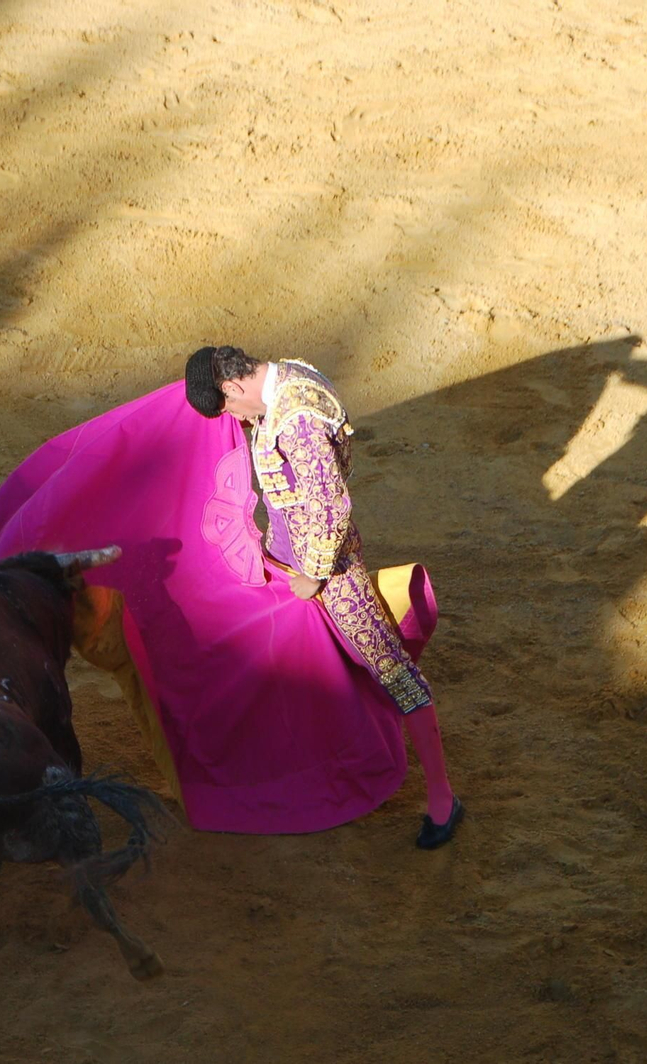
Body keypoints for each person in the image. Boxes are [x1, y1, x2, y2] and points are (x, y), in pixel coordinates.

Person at [184, 345, 464, 849]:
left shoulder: (297, 421)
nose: (234, 420)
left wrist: (314, 576)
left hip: (331, 573)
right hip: (282, 562)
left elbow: (330, 505)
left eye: (227, 409)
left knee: (391, 669)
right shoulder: (285, 377)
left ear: (231, 387)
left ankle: (442, 797)